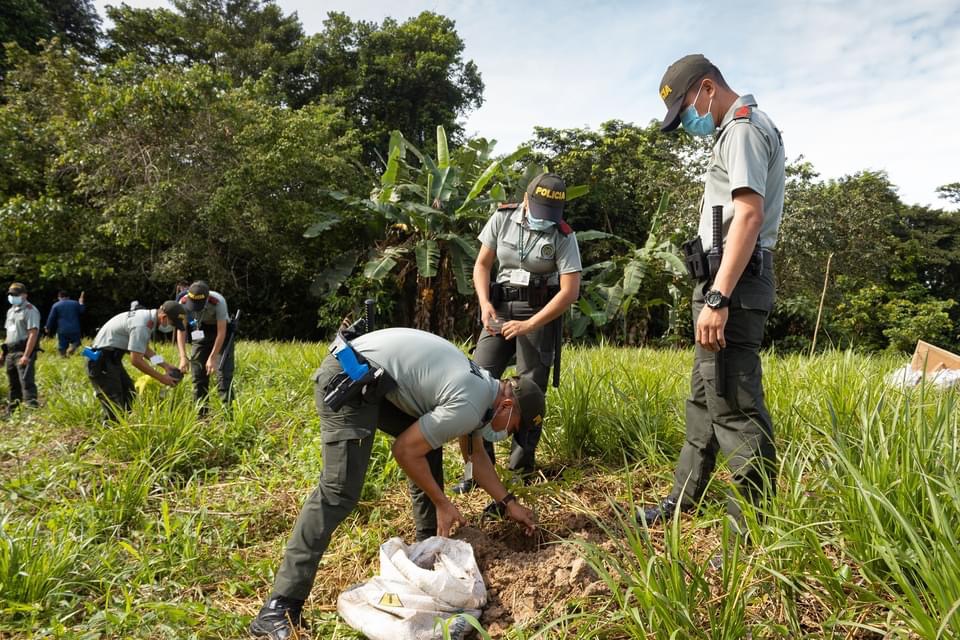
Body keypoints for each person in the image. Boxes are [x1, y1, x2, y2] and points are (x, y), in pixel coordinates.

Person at [249, 327, 545, 640]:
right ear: (508, 407)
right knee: (339, 490)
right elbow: (404, 451)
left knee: (426, 447)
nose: (506, 437)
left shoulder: (484, 392)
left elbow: (475, 458)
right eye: (512, 431)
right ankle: (278, 607)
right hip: (351, 376)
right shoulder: (471, 403)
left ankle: (426, 553)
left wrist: (508, 503)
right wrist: (443, 503)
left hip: (376, 379)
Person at [639, 54, 784, 529]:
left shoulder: (742, 127)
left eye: (686, 112)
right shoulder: (733, 132)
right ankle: (683, 500)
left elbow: (748, 215)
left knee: (735, 401)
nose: (687, 124)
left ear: (706, 89)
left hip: (733, 285)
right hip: (722, 279)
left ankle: (755, 523)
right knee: (705, 398)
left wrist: (718, 297)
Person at [450, 172, 582, 495]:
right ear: (526, 200)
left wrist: (531, 324)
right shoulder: (502, 217)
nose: (544, 220)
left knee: (531, 391)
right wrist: (483, 304)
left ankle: (521, 470)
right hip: (499, 309)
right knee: (476, 380)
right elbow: (482, 264)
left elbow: (570, 291)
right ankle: (475, 470)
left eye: (551, 216)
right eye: (539, 212)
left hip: (539, 313)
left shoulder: (563, 236)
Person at [86, 300, 187, 422]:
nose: (172, 327)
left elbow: (144, 349)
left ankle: (123, 428)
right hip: (100, 361)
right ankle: (109, 434)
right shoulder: (143, 324)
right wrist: (162, 378)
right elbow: (136, 360)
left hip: (111, 359)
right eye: (172, 323)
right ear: (164, 317)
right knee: (114, 403)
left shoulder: (147, 319)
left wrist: (165, 365)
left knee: (129, 394)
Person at [176, 281, 235, 412]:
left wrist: (213, 357)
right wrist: (183, 356)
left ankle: (228, 415)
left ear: (207, 298)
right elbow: (181, 330)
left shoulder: (218, 302)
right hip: (200, 332)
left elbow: (222, 332)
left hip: (221, 335)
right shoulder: (183, 303)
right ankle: (201, 415)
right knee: (198, 375)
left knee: (223, 375)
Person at [4, 282, 41, 415]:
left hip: (22, 351)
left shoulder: (30, 310)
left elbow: (33, 334)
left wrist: (26, 355)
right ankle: (12, 411)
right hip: (11, 352)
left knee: (26, 382)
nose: (13, 297)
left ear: (24, 295)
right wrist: (3, 353)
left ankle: (31, 412)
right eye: (11, 295)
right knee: (13, 384)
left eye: (16, 294)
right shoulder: (10, 311)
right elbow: (9, 333)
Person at [45, 290, 86, 356]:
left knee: (62, 346)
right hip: (75, 328)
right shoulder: (75, 303)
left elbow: (51, 318)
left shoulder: (56, 305)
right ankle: (72, 348)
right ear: (68, 297)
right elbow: (82, 311)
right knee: (76, 342)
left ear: (59, 297)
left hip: (62, 330)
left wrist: (48, 327)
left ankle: (63, 359)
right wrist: (81, 303)